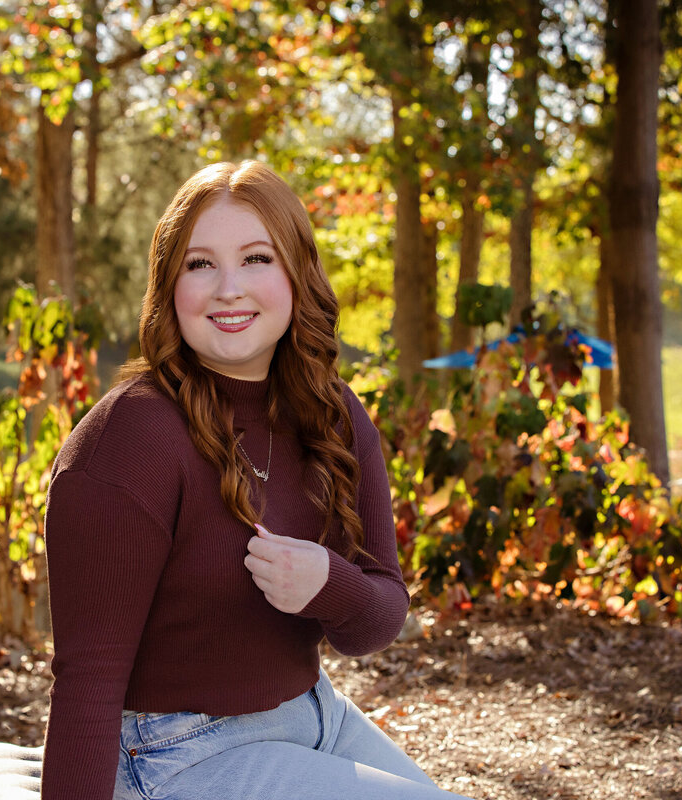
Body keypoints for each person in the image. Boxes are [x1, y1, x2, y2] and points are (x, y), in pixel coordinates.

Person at [41, 161, 472, 800]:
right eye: (200, 264)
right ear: (169, 286)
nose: (228, 289)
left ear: (297, 271)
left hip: (318, 716)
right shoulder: (129, 439)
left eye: (256, 258)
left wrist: (329, 583)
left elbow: (378, 618)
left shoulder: (330, 413)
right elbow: (87, 679)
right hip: (170, 753)